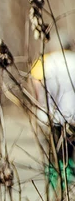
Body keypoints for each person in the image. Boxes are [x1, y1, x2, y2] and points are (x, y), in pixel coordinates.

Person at [29, 36, 75, 188]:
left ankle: (56, 189)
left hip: (49, 117)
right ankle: (70, 187)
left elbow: (35, 87)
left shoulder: (44, 62)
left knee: (54, 156)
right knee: (71, 156)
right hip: (73, 118)